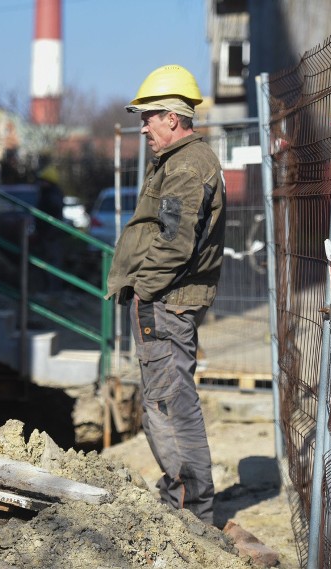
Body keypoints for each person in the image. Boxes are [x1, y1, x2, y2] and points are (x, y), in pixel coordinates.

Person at [106, 64, 226, 525]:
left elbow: (175, 241)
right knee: (167, 400)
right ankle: (184, 500)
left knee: (168, 404)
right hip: (168, 299)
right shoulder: (182, 163)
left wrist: (145, 290)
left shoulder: (186, 167)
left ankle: (188, 508)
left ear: (173, 117)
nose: (143, 126)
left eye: (148, 116)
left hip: (166, 301)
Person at [36, 164, 65, 293]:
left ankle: (52, 289)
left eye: (43, 181)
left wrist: (48, 233)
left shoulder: (50, 196)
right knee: (50, 261)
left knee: (51, 262)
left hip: (50, 235)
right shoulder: (52, 194)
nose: (40, 183)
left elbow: (53, 212)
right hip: (49, 234)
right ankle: (50, 288)